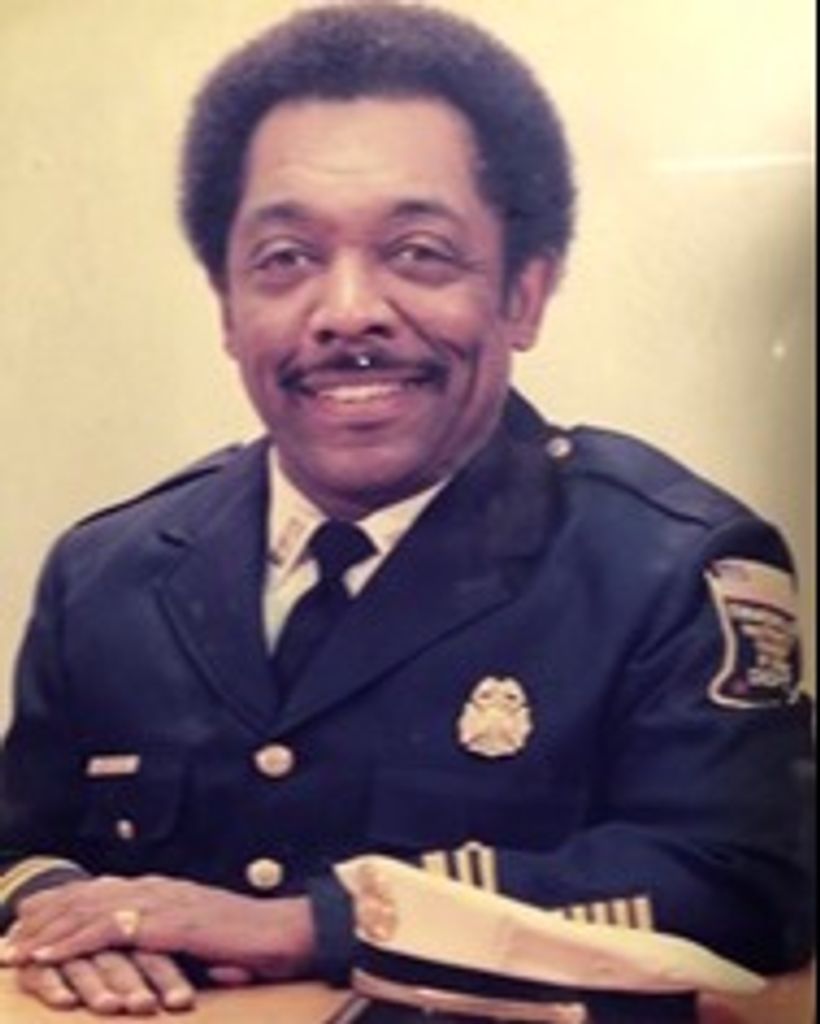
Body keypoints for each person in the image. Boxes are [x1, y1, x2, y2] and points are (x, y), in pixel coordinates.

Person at [0, 2, 813, 1017]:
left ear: (523, 294)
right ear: (228, 308)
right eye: (285, 259)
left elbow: (746, 885)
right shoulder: (105, 573)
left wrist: (313, 923)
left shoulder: (665, 566)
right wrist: (66, 917)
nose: (347, 312)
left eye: (419, 252)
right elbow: (19, 845)